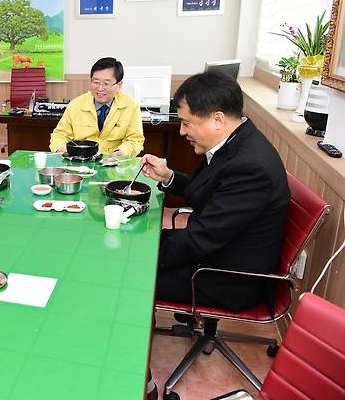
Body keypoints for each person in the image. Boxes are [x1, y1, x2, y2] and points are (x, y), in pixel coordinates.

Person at [141, 71, 290, 312]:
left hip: (226, 277)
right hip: (214, 252)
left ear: (217, 120)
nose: (181, 131)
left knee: (128, 276)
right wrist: (169, 177)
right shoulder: (237, 140)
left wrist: (141, 253)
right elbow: (211, 192)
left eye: (186, 123)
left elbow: (199, 239)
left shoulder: (250, 167)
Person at [49, 57, 144, 157]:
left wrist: (122, 152)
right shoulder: (75, 105)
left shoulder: (131, 106)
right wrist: (62, 149)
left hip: (114, 164)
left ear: (119, 85)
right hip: (80, 163)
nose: (100, 88)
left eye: (106, 83)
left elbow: (135, 139)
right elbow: (60, 135)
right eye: (96, 82)